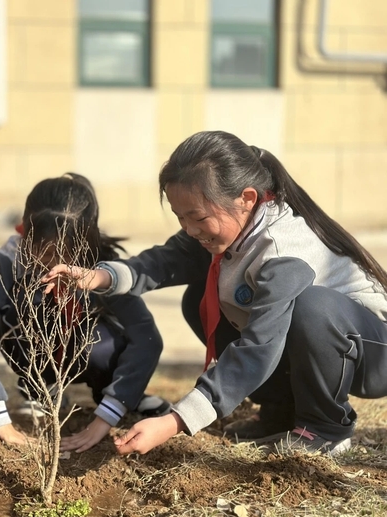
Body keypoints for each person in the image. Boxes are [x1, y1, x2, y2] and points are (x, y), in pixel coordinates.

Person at [45, 130, 387, 457]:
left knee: (312, 307)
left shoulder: (281, 251)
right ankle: (281, 410)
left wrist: (175, 420)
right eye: (181, 217)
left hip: (370, 354)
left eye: (197, 217)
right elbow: (165, 261)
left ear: (247, 199)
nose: (190, 230)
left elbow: (257, 348)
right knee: (201, 300)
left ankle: (326, 428)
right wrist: (99, 276)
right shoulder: (228, 227)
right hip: (321, 348)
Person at [0, 173, 171, 452]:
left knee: (105, 344)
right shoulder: (12, 257)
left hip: (90, 352)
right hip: (39, 356)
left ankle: (119, 394)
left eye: (65, 256)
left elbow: (146, 338)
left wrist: (107, 415)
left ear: (86, 242)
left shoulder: (104, 268)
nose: (54, 267)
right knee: (22, 305)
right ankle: (40, 387)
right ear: (26, 233)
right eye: (42, 255)